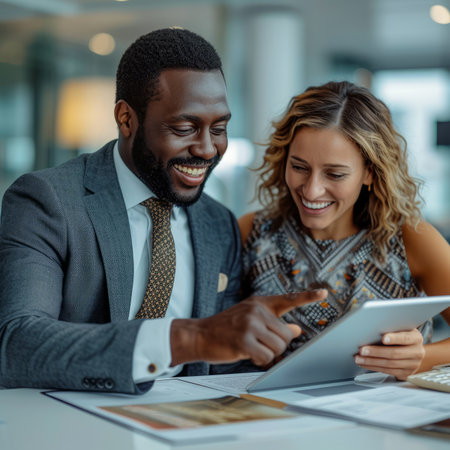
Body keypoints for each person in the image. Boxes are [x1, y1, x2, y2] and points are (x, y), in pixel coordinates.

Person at [0, 28, 327, 394]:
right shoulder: (48, 200)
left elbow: (227, 365)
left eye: (219, 128)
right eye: (185, 128)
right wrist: (185, 339)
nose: (207, 149)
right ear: (126, 119)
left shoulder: (217, 223)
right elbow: (16, 342)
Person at [239, 81, 450, 380]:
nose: (311, 190)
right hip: (271, 416)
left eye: (334, 174)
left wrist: (422, 357)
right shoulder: (253, 232)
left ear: (370, 172)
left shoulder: (409, 239)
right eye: (299, 167)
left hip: (382, 419)